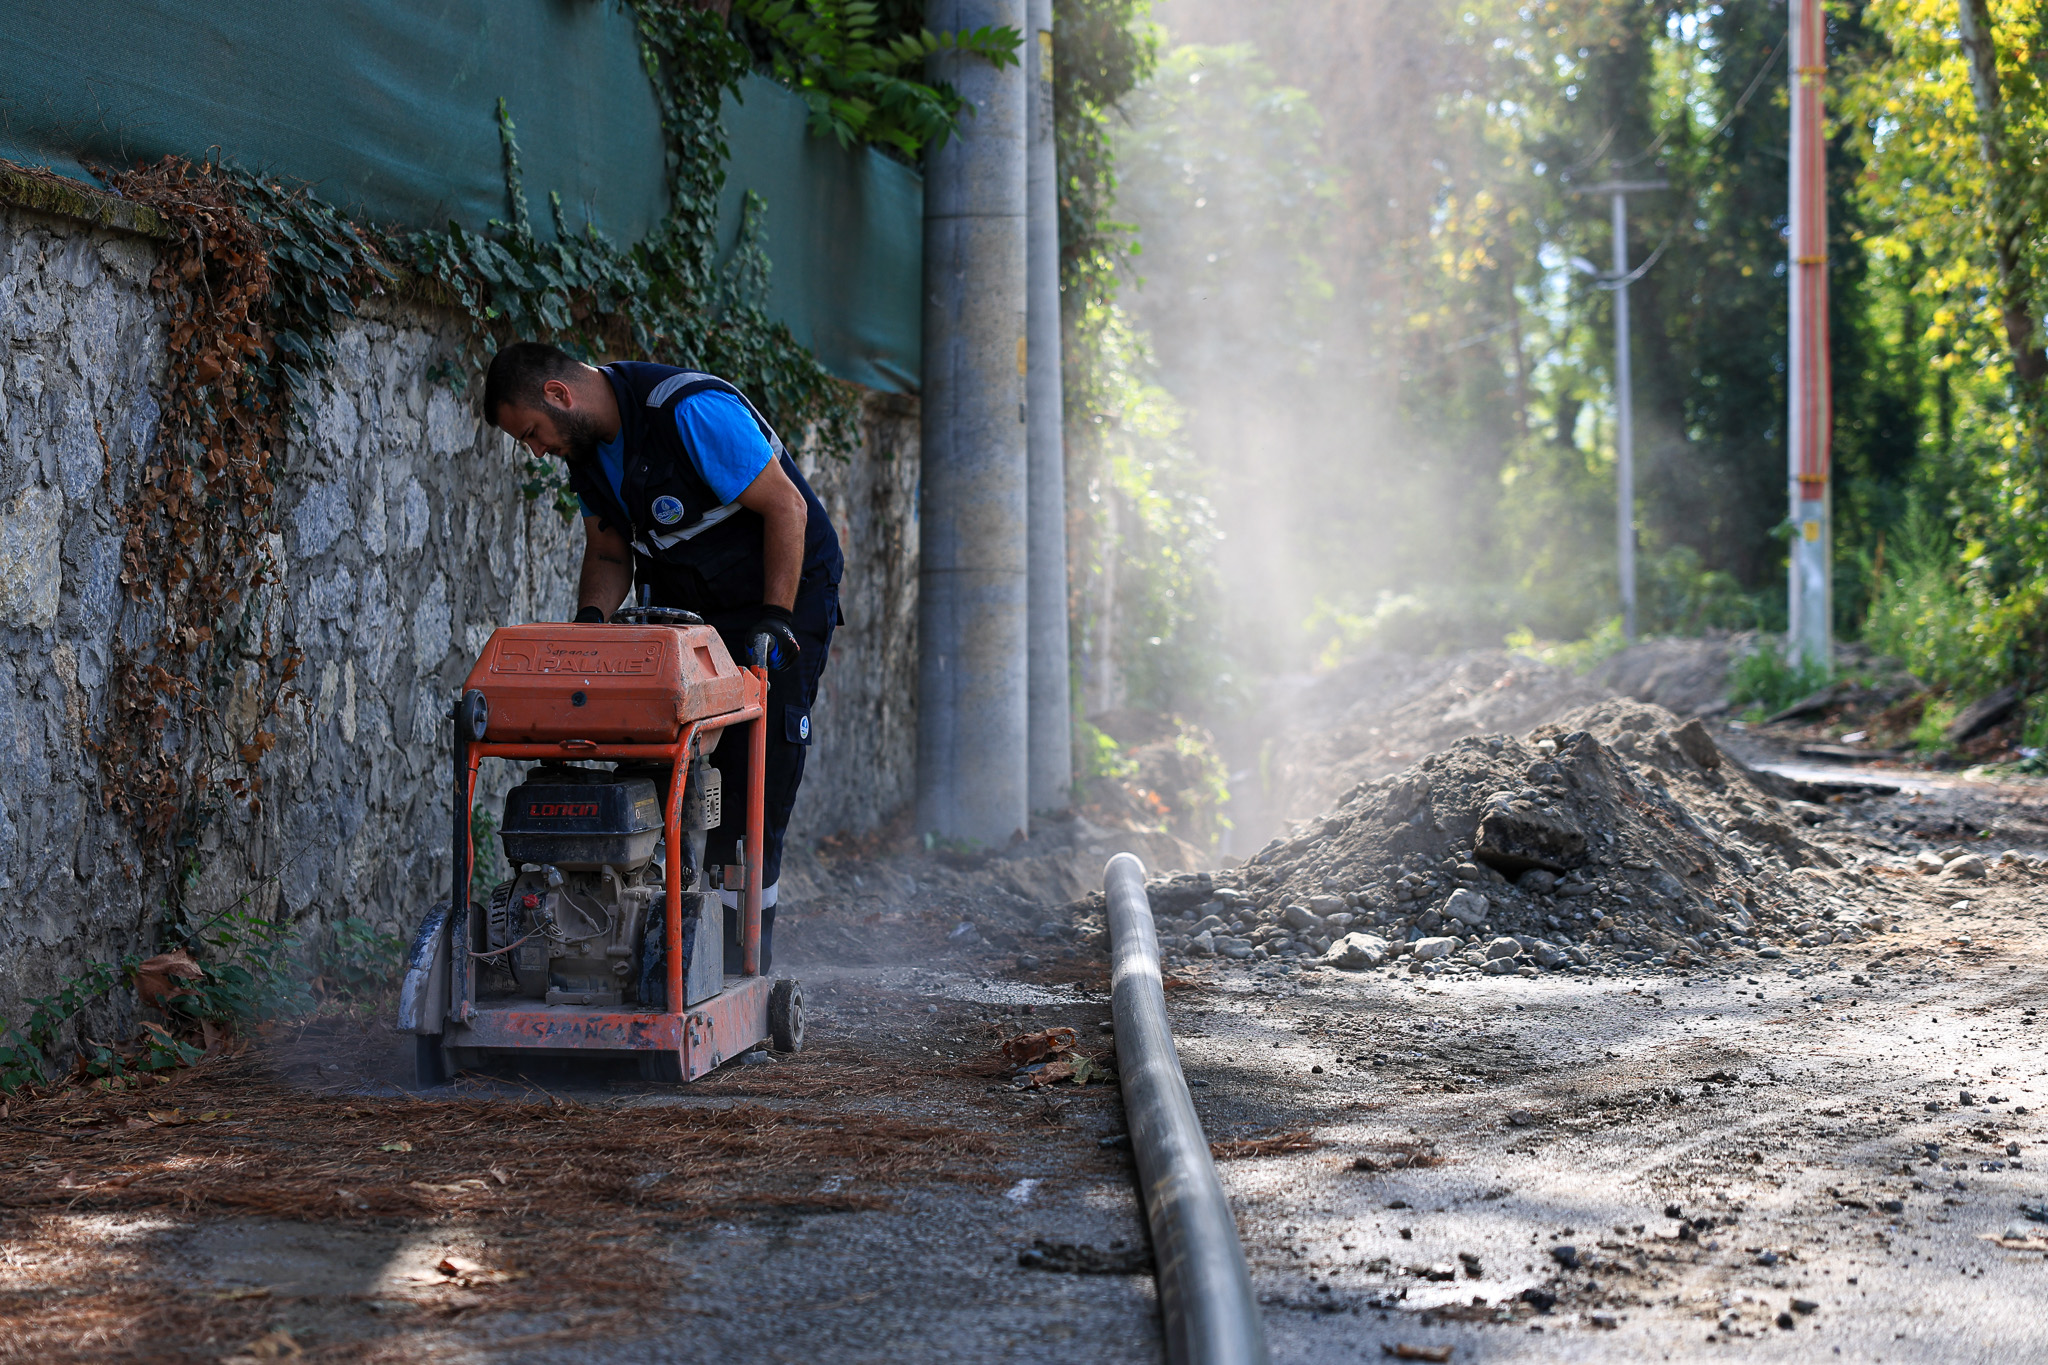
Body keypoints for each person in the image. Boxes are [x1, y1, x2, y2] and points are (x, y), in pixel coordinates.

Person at [482, 341, 841, 976]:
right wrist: (589, 632)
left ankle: (741, 964)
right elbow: (609, 552)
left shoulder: (689, 412)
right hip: (690, 604)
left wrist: (776, 619)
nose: (535, 450)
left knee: (754, 771)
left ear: (559, 395)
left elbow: (786, 507)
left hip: (779, 593)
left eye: (532, 433)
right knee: (654, 757)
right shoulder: (588, 454)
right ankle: (651, 936)